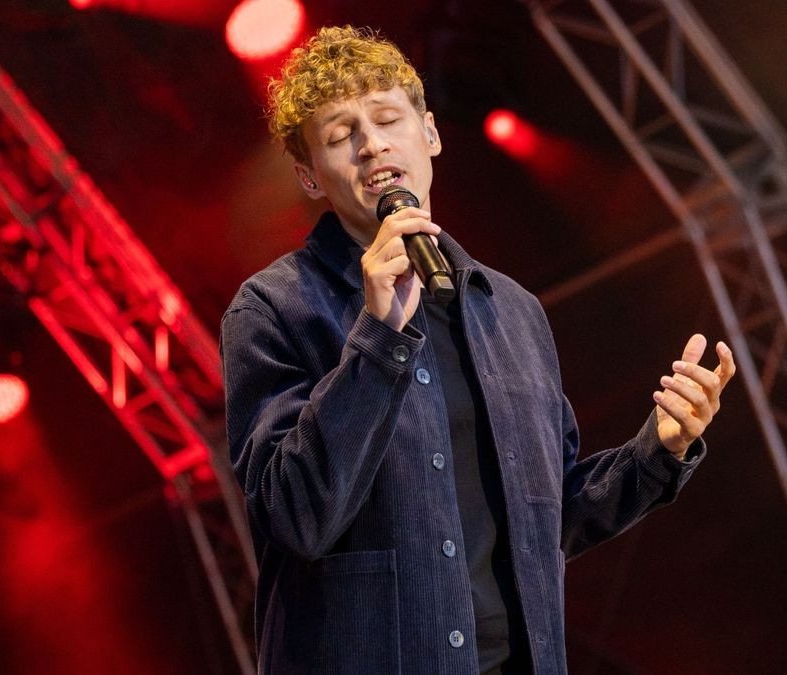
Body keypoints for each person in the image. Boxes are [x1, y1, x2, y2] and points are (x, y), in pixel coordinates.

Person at [221, 25, 736, 674]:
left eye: (386, 119)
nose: (372, 143)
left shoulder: (512, 311)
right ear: (310, 177)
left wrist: (655, 451)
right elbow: (296, 516)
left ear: (429, 134)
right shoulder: (274, 309)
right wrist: (377, 337)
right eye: (338, 135)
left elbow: (546, 523)